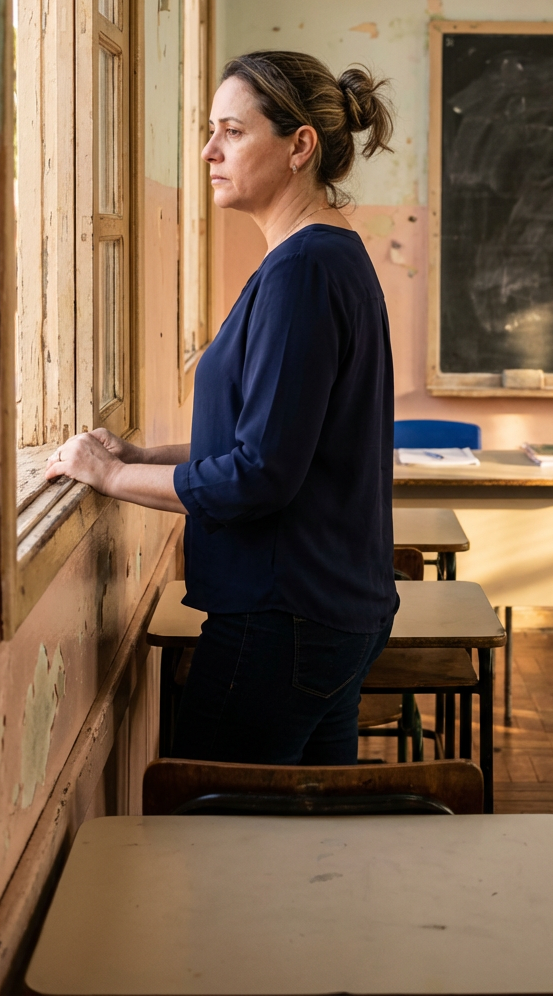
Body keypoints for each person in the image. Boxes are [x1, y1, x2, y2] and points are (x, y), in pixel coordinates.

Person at [46, 50, 399, 765]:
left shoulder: (302, 272)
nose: (209, 151)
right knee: (298, 854)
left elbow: (261, 474)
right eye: (212, 130)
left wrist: (110, 479)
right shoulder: (324, 258)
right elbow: (274, 438)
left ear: (300, 146)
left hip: (283, 620)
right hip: (325, 611)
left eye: (233, 132)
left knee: (210, 850)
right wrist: (141, 456)